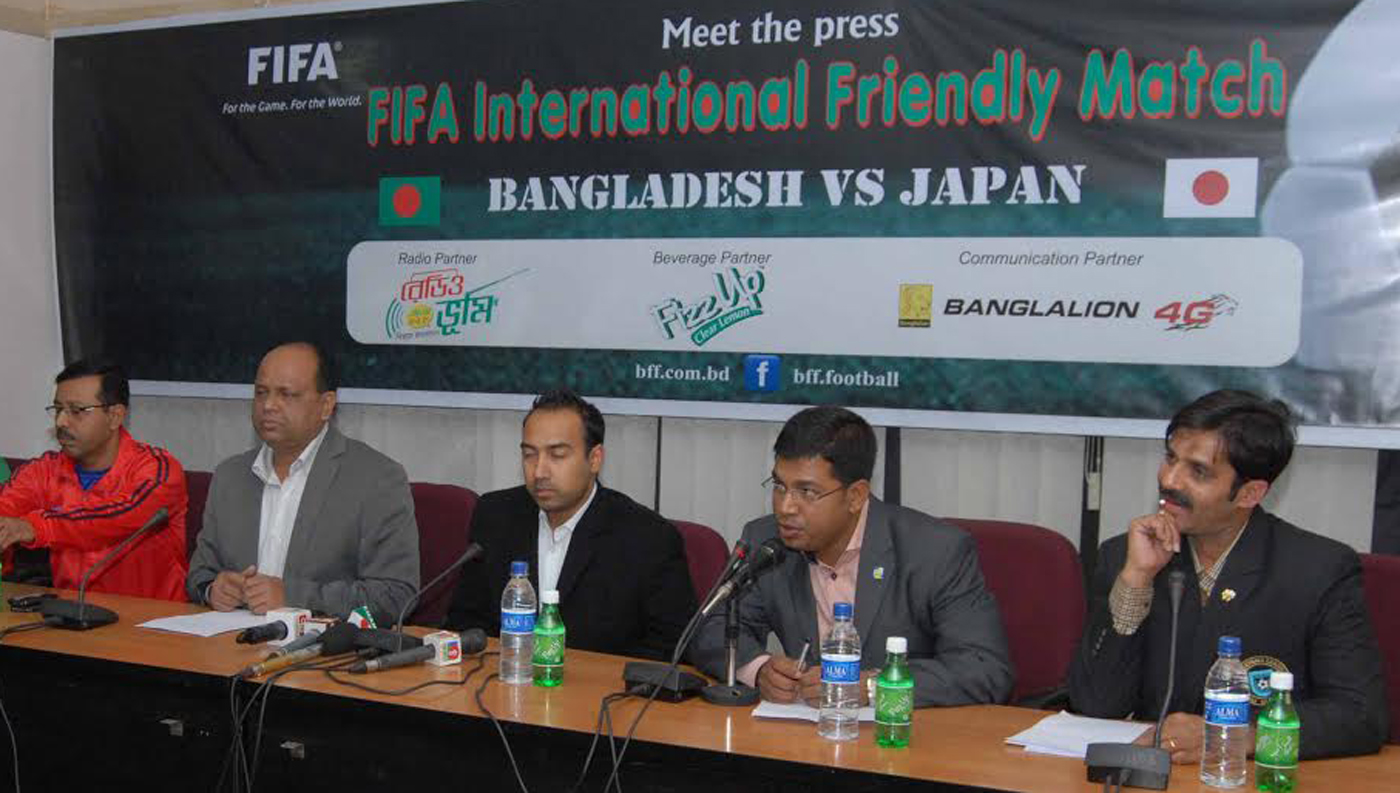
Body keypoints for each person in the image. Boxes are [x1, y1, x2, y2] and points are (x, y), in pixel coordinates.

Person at [1069, 390, 1389, 760]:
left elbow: (1360, 716)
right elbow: (1095, 704)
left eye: (1198, 471)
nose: (1170, 480)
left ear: (1250, 493)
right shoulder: (1125, 555)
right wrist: (1136, 581)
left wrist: (1236, 738)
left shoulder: (1318, 570)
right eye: (1171, 458)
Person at [688, 406, 1013, 707]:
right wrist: (759, 670)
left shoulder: (935, 551)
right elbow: (710, 627)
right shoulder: (765, 541)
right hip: (800, 741)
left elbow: (984, 668)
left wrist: (874, 688)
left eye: (807, 492)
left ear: (856, 496)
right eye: (779, 486)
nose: (785, 507)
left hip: (900, 743)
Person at [445, 388, 695, 661]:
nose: (539, 471)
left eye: (557, 455)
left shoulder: (648, 538)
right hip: (504, 686)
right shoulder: (495, 516)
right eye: (530, 454)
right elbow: (466, 622)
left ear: (595, 459)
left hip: (600, 697)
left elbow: (672, 649)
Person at [186, 342, 419, 620]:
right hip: (228, 648)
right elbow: (199, 574)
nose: (268, 405)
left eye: (286, 394)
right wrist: (213, 589)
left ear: (326, 405)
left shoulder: (376, 478)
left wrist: (293, 597)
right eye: (261, 393)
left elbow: (396, 595)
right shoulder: (230, 475)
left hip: (322, 655)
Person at [0, 359, 188, 600]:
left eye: (76, 411)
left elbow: (115, 517)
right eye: (58, 409)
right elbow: (6, 509)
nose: (61, 422)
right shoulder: (43, 471)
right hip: (70, 621)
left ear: (115, 416)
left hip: (152, 625)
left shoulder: (157, 470)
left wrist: (34, 527)